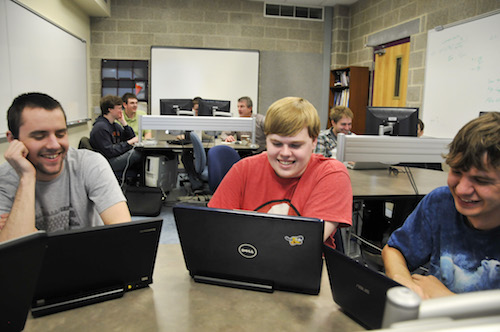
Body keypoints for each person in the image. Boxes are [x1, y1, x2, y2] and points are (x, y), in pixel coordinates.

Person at [382, 112, 500, 299]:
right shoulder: (441, 202)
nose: (461, 190)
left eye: (480, 180)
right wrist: (404, 282)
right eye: (457, 171)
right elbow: (395, 251)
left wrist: (447, 301)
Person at [208, 97, 353, 248]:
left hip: (301, 268)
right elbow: (216, 230)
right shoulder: (243, 169)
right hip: (244, 264)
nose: (285, 153)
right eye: (276, 143)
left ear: (314, 142)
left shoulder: (331, 174)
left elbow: (303, 242)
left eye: (295, 145)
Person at [0, 92, 131, 242]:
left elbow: (123, 236)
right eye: (39, 136)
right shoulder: (5, 180)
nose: (54, 145)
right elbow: (15, 258)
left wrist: (36, 238)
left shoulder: (89, 163)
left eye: (60, 134)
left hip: (88, 263)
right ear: (12, 139)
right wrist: (27, 178)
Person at [90, 95, 142, 173]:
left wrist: (124, 123)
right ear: (110, 109)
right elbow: (109, 152)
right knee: (136, 154)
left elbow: (132, 138)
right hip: (106, 163)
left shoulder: (114, 125)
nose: (121, 111)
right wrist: (128, 143)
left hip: (113, 157)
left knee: (138, 152)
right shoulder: (100, 128)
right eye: (119, 109)